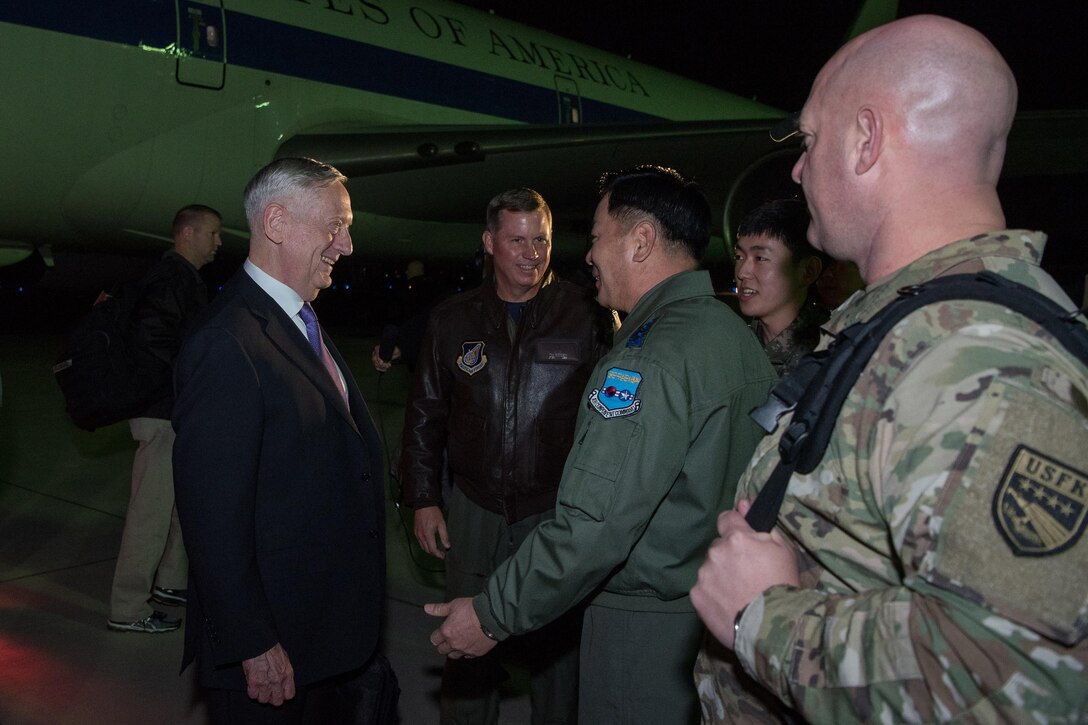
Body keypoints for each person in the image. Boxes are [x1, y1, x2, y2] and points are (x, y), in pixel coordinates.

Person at [691, 15, 1088, 723]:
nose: (798, 168)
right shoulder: (915, 332)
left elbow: (1018, 681)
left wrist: (762, 619)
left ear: (866, 140)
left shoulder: (977, 358)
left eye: (809, 141)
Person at [427, 166, 776, 724]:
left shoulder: (647, 359)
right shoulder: (731, 336)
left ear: (640, 241)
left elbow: (594, 524)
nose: (587, 255)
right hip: (714, 611)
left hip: (641, 632)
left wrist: (492, 613)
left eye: (595, 237)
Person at [172, 157, 390, 723]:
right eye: (334, 226)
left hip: (321, 638)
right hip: (273, 656)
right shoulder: (228, 342)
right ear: (276, 223)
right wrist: (251, 641)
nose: (345, 245)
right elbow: (212, 518)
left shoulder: (295, 319)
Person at [399, 188, 612, 724]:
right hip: (475, 508)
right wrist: (423, 498)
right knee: (466, 647)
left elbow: (609, 419)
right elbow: (425, 414)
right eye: (516, 240)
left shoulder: (586, 315)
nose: (530, 253)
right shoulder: (452, 320)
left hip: (554, 512)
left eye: (539, 240)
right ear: (490, 243)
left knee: (557, 655)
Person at [106, 204, 221, 633]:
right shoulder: (171, 279)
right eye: (212, 233)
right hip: (161, 412)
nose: (218, 242)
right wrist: (188, 384)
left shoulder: (181, 279)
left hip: (173, 411)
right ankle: (128, 607)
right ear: (187, 234)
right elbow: (154, 343)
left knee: (175, 507)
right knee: (149, 514)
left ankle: (170, 583)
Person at [733, 199, 828, 376]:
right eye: (739, 257)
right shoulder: (730, 347)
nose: (742, 273)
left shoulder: (830, 351)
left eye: (760, 258)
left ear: (808, 271)